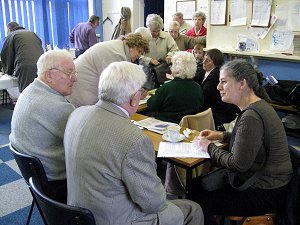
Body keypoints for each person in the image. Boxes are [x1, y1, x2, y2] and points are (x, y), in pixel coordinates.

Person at [64, 61, 204, 225]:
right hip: (118, 220)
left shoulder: (76, 114)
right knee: (193, 209)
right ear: (134, 98)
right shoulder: (134, 139)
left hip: (76, 214)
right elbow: (154, 203)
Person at [190, 59, 293, 225]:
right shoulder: (260, 106)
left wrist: (208, 147)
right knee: (196, 186)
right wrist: (221, 136)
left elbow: (238, 164)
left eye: (223, 82)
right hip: (273, 184)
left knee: (197, 199)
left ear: (242, 83)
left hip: (265, 191)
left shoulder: (251, 116)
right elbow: (251, 139)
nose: (218, 87)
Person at [9, 50, 77, 202]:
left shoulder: (28, 91)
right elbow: (87, 146)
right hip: (57, 183)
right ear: (49, 75)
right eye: (69, 72)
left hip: (37, 181)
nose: (75, 78)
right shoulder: (59, 107)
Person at [66, 33, 149, 107]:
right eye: (139, 51)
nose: (139, 55)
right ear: (133, 46)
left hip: (82, 88)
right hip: (82, 90)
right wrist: (135, 94)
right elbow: (114, 87)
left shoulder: (118, 47)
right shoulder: (116, 53)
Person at [147, 51, 204, 124]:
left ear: (175, 67)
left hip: (166, 127)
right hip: (189, 128)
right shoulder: (198, 88)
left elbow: (151, 105)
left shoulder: (166, 88)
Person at [1, 21, 43, 92]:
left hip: (26, 66)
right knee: (42, 91)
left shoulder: (10, 35)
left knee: (27, 93)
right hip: (42, 65)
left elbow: (7, 56)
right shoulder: (32, 33)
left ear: (9, 30)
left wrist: (8, 71)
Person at [201, 49, 239, 127]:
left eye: (207, 60)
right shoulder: (206, 72)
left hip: (219, 112)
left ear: (215, 63)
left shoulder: (214, 76)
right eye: (203, 59)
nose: (203, 62)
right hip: (219, 109)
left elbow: (206, 98)